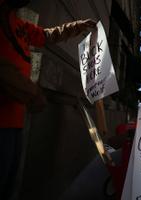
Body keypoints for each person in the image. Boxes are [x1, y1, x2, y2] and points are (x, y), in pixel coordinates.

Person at [0, 0, 97, 199]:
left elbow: (46, 35)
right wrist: (33, 93)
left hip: (16, 122)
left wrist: (78, 26)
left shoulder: (19, 25)